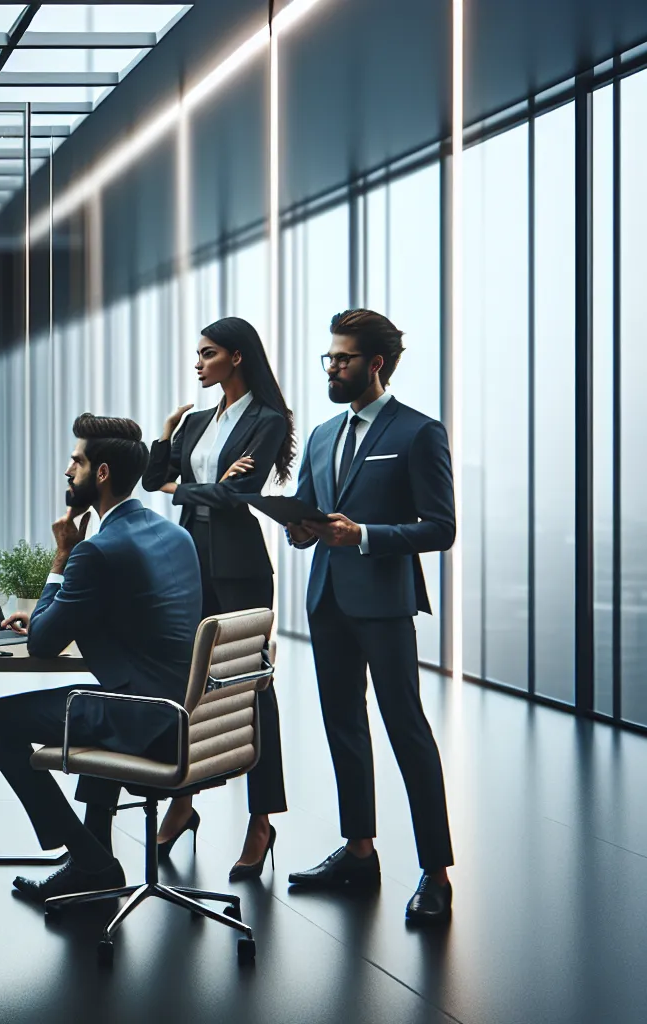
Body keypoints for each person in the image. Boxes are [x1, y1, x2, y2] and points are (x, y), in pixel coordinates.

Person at [0, 414, 201, 903]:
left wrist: (61, 557)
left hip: (143, 718)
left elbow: (42, 647)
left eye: (75, 462)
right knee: (96, 702)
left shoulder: (95, 550)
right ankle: (90, 859)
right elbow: (132, 614)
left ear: (100, 473)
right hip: (184, 711)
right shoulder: (175, 535)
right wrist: (60, 612)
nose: (67, 472)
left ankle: (89, 856)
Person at [283, 309, 455, 925]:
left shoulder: (418, 433)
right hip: (327, 598)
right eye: (328, 358)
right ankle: (360, 851)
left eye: (343, 359)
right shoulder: (325, 433)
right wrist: (301, 530)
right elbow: (311, 512)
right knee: (343, 728)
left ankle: (435, 872)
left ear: (374, 364)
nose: (332, 367)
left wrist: (363, 536)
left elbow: (441, 528)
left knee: (405, 728)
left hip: (383, 603)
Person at [142, 316, 295, 880]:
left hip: (238, 566)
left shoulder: (267, 419)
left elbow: (236, 495)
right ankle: (184, 803)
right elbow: (151, 477)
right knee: (190, 686)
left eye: (208, 354)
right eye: (198, 354)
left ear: (236, 356)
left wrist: (183, 487)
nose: (198, 363)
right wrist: (165, 432)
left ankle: (261, 818)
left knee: (251, 686)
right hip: (187, 559)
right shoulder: (198, 420)